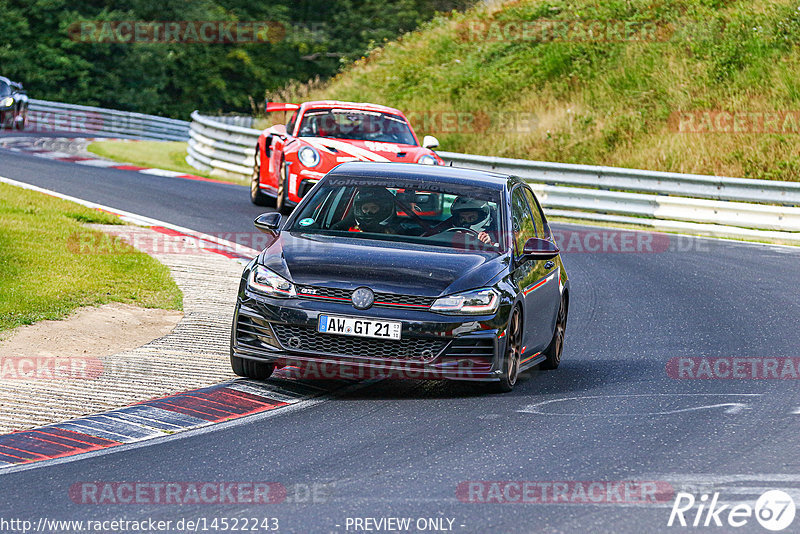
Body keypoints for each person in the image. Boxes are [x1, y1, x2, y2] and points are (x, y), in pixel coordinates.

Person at [431, 196, 496, 245]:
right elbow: (429, 235)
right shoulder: (453, 222)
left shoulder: (500, 228)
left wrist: (488, 243)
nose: (466, 222)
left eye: (472, 218)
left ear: (483, 215)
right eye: (462, 218)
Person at [333, 187, 399, 234]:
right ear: (358, 210)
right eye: (365, 208)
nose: (368, 212)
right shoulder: (346, 231)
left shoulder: (395, 233)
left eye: (373, 208)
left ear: (383, 210)